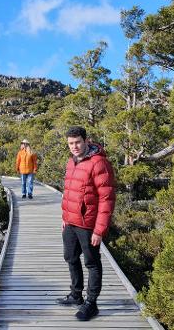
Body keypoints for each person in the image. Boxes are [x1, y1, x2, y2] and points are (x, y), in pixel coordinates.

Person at [55, 126, 116, 321]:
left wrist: (99, 230)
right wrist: (65, 218)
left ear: (86, 140)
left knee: (92, 263)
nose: (74, 146)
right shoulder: (70, 162)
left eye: (78, 142)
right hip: (70, 223)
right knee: (70, 258)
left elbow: (107, 199)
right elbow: (69, 192)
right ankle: (76, 294)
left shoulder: (99, 163)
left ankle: (91, 303)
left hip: (88, 225)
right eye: (71, 143)